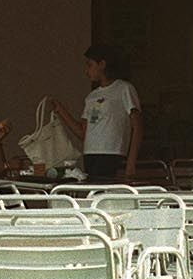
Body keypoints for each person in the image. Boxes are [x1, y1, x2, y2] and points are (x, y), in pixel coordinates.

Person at [53, 43, 142, 182]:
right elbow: (83, 132)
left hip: (113, 153)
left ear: (102, 64)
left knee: (109, 194)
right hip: (91, 153)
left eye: (89, 65)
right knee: (95, 192)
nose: (86, 71)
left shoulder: (124, 89)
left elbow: (137, 126)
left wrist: (131, 162)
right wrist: (61, 111)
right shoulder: (91, 97)